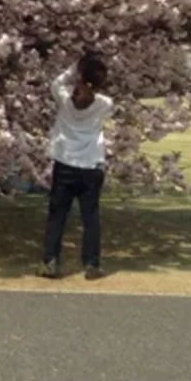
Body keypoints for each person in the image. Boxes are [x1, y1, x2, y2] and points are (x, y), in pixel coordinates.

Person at [41, 52, 114, 280]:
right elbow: (93, 92)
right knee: (90, 217)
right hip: (92, 166)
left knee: (57, 216)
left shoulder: (64, 100)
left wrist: (75, 67)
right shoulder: (104, 104)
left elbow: (57, 83)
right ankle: (92, 264)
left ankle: (50, 261)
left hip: (65, 165)